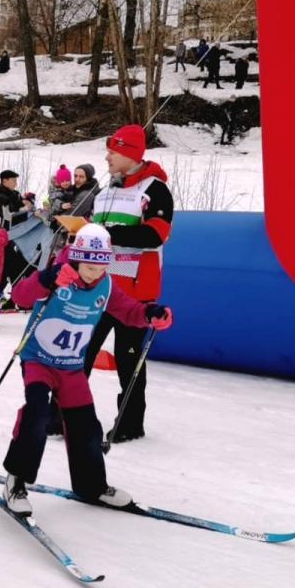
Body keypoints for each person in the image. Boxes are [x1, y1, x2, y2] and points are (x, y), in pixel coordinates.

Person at [0, 224, 173, 515]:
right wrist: (47, 279)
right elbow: (20, 296)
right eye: (88, 267)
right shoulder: (60, 276)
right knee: (37, 415)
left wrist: (149, 313)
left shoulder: (105, 284)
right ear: (76, 259)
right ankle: (15, 480)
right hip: (39, 360)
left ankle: (91, 485)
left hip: (71, 368)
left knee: (86, 426)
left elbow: (129, 310)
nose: (93, 274)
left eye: (101, 267)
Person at [84, 124, 174, 443]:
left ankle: (130, 422)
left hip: (136, 292)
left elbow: (156, 234)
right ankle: (61, 414)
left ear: (130, 153)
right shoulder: (106, 192)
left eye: (113, 150)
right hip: (100, 288)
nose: (107, 155)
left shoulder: (154, 188)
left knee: (128, 360)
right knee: (79, 352)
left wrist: (109, 235)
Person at [0, 169, 35, 292]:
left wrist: (24, 202)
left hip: (4, 239)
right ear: (5, 181)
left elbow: (13, 207)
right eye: (14, 181)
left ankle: (4, 295)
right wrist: (25, 211)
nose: (16, 183)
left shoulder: (9, 194)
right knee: (9, 268)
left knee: (9, 269)